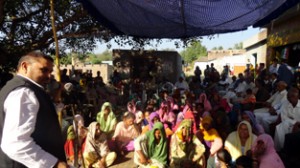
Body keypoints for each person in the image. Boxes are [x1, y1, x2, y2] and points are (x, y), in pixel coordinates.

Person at [0, 51, 67, 167]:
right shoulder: (23, 92)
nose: (49, 76)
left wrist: (56, 100)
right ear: (25, 66)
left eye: (50, 71)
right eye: (44, 70)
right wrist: (55, 164)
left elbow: (39, 118)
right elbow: (16, 143)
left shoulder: (27, 89)